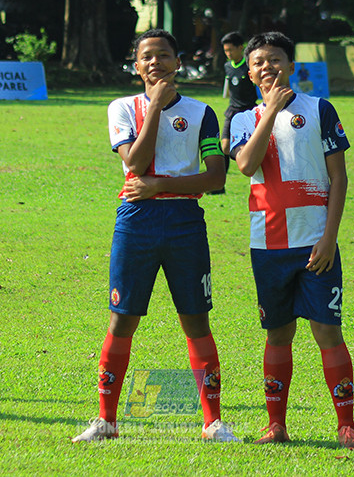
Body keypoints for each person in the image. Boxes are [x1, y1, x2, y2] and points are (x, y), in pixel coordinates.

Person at [72, 29, 239, 443]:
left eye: (163, 55)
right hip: (136, 221)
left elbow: (216, 177)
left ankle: (213, 423)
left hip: (185, 222)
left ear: (178, 62)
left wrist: (160, 185)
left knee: (195, 320)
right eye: (146, 56)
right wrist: (156, 109)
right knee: (122, 318)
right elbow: (135, 163)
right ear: (136, 66)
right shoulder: (121, 108)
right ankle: (106, 421)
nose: (155, 62)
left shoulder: (202, 113)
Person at [229, 31, 354, 449]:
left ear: (291, 65)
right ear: (249, 73)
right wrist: (270, 111)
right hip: (268, 245)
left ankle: (346, 426)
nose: (267, 67)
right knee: (277, 334)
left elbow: (339, 178)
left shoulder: (319, 109)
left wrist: (329, 237)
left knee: (328, 331)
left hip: (315, 244)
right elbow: (246, 164)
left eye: (275, 59)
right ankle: (276, 426)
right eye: (258, 62)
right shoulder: (243, 119)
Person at [220, 31, 257, 159]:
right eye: (226, 50)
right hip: (232, 110)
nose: (228, 53)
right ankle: (224, 171)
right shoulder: (227, 66)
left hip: (249, 110)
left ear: (240, 48)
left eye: (230, 50)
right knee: (224, 147)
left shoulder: (250, 66)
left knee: (252, 146)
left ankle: (245, 161)